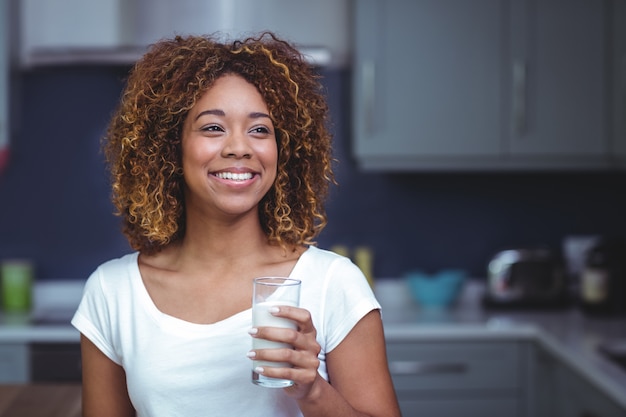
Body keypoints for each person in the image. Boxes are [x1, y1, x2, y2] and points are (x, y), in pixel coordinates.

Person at [71, 32, 401, 417]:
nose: (239, 147)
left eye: (260, 129)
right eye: (213, 127)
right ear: (169, 146)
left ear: (284, 151)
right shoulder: (113, 293)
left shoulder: (333, 284)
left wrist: (312, 392)